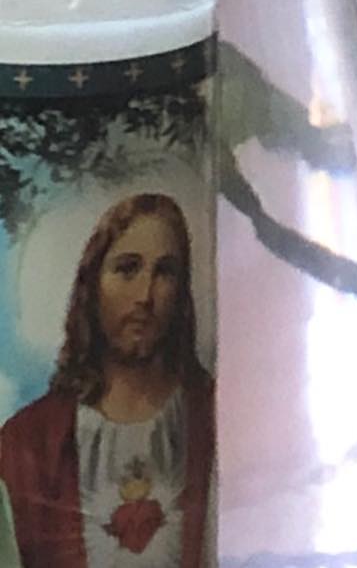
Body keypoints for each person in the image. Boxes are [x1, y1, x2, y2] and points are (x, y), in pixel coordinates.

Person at [0, 196, 214, 568]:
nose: (145, 295)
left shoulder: (214, 418)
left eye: (165, 272)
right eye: (127, 269)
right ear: (92, 284)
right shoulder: (28, 441)